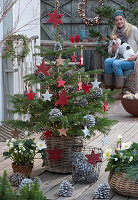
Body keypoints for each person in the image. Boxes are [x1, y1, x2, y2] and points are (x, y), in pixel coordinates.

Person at [104, 10, 138, 91]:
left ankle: (119, 90)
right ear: (115, 22)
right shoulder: (114, 32)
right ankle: (109, 88)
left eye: (121, 19)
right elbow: (109, 49)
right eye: (117, 20)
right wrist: (113, 49)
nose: (119, 22)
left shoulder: (133, 29)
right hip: (120, 58)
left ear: (124, 19)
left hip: (132, 60)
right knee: (107, 61)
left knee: (116, 63)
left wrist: (136, 55)